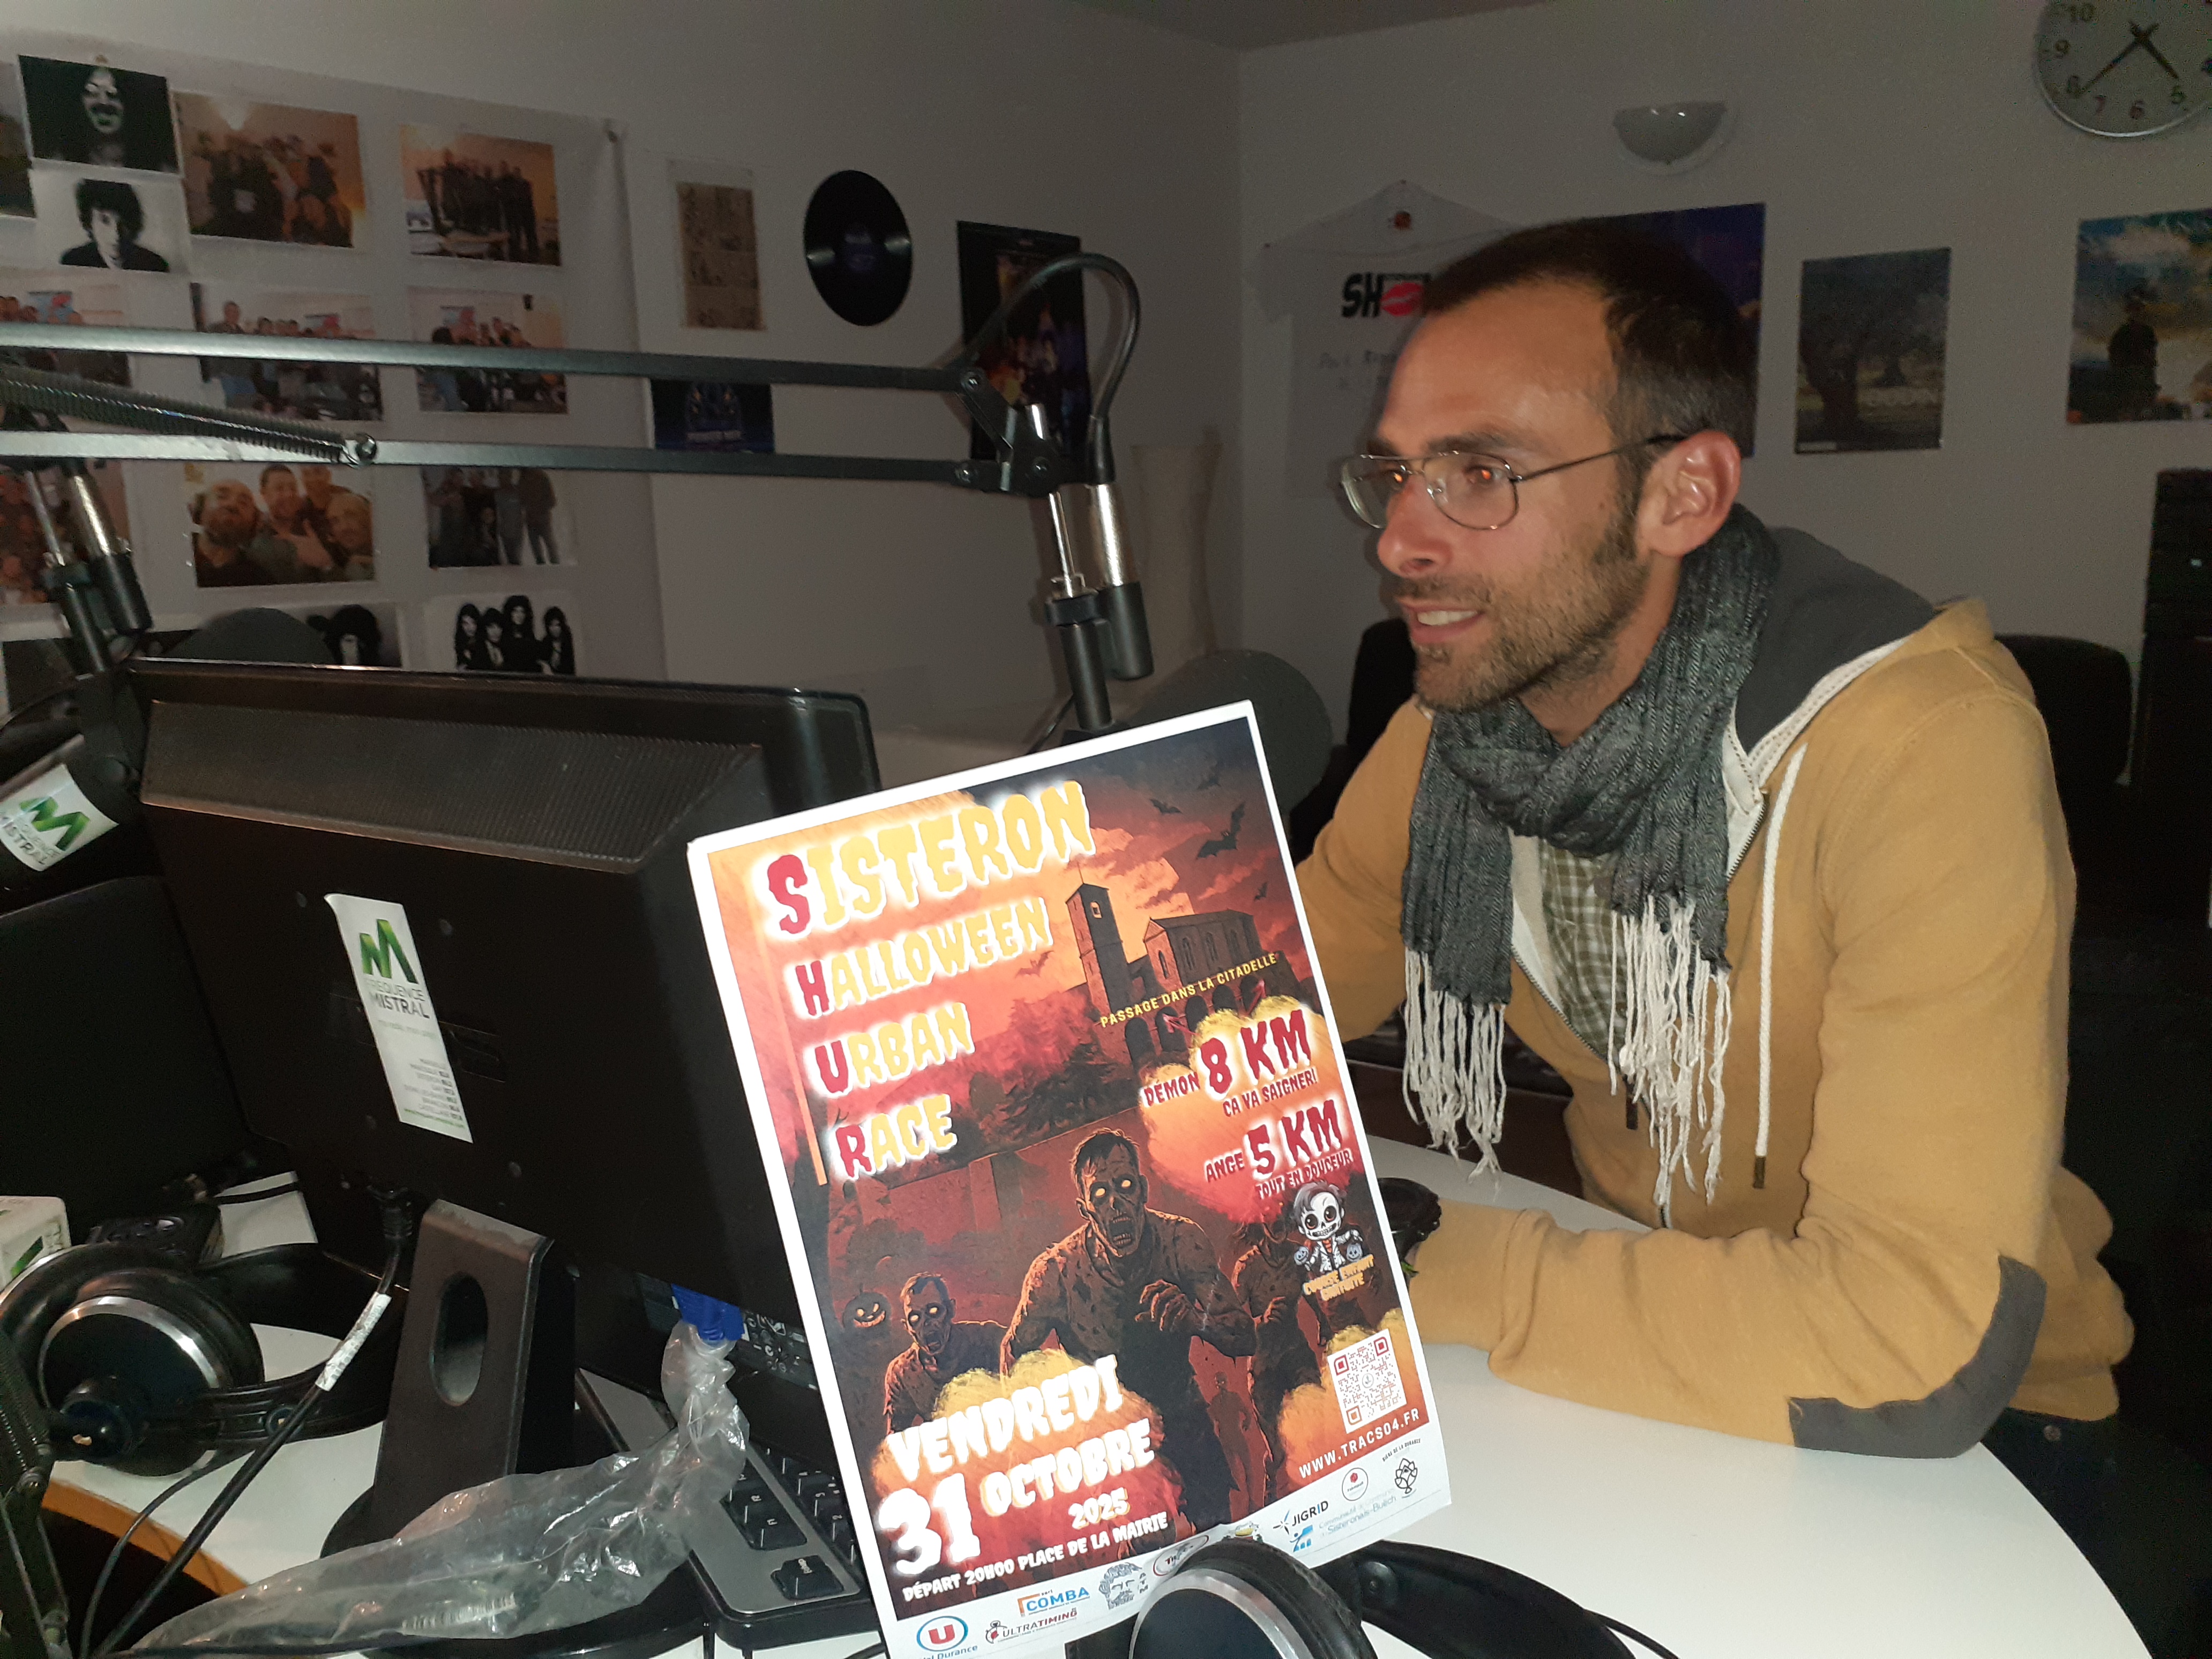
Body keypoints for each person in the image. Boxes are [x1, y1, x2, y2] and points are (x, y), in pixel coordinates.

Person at [1294, 220, 2207, 1638]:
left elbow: (1916, 1342)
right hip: (1665, 1342)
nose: (1402, 539)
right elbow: (1265, 995)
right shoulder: (1455, 731)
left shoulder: (1921, 744)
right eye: (1399, 474)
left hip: (1982, 1436)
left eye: (1481, 475)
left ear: (1683, 492)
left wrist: (1436, 1269)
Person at [1003, 1130, 1254, 1529]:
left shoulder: (1179, 1241)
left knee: (1220, 1529)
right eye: (1100, 1195)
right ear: (1085, 1208)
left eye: (1124, 1186)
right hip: (1114, 1438)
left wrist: (1194, 1317)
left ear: (1143, 1191)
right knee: (1147, 1542)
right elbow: (1013, 1360)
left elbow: (1244, 1335)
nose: (1116, 1204)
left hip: (1181, 1409)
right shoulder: (1055, 1274)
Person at [881, 1275, 1004, 1434]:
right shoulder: (902, 1373)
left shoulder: (988, 1340)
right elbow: (897, 1438)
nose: (926, 1324)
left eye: (934, 1311)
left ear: (951, 1309)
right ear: (907, 1327)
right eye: (915, 1318)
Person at [189, 478, 289, 586]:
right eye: (222, 496)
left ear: (254, 523)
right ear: (199, 508)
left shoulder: (260, 580)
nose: (232, 505)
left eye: (244, 503)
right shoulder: (173, 553)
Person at [59, 178, 169, 272]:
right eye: (105, 221)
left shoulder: (154, 264)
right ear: (89, 223)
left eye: (123, 222)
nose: (116, 234)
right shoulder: (73, 262)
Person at [519, 469, 560, 564]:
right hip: (532, 518)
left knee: (548, 543)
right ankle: (545, 564)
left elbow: (551, 499)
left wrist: (541, 509)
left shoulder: (541, 477)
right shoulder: (523, 479)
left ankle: (555, 564)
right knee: (537, 546)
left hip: (541, 518)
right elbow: (521, 499)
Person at [540, 606, 575, 674]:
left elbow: (570, 667)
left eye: (557, 625)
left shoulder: (566, 641)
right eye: (551, 625)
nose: (554, 629)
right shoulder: (546, 642)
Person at [453, 603, 482, 670]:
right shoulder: (462, 644)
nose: (470, 628)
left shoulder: (483, 644)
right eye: (466, 624)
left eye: (473, 623)